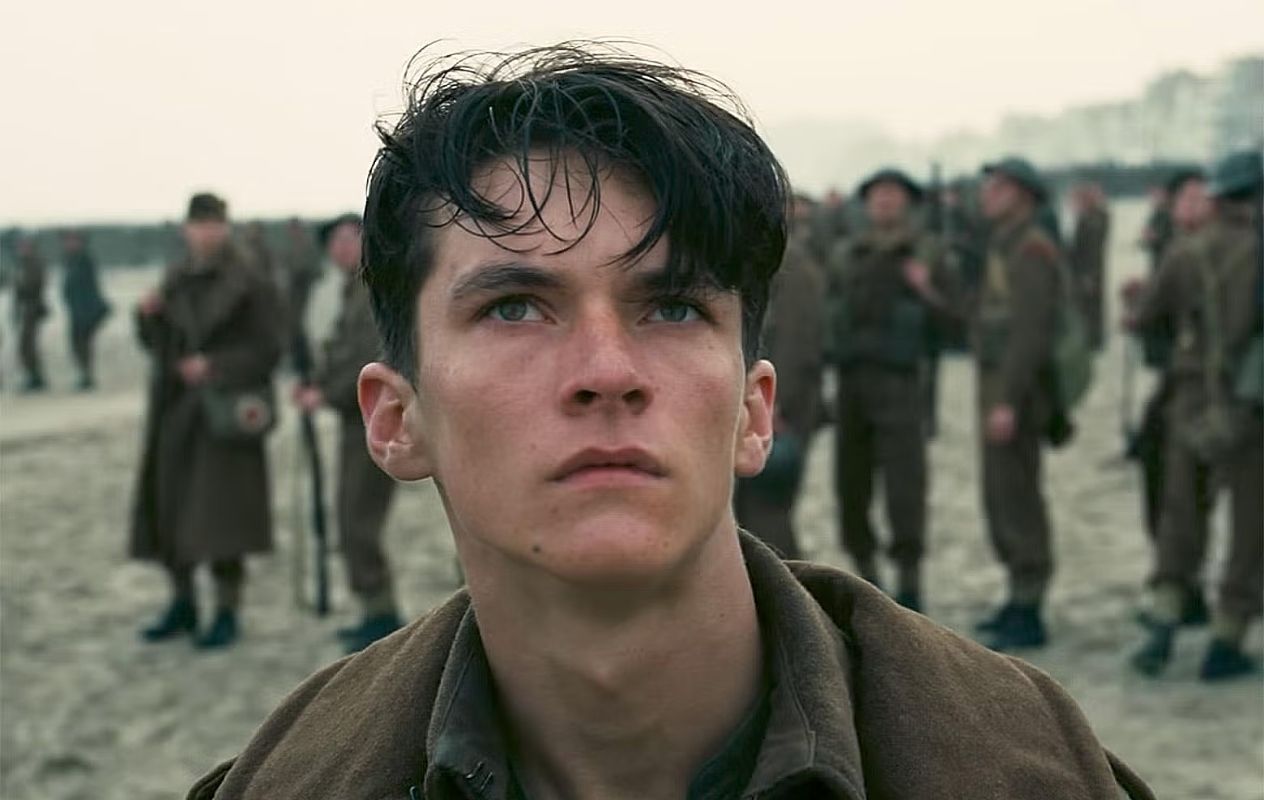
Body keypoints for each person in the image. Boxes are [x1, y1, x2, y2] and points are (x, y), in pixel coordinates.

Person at [188, 45, 1151, 800]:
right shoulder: (289, 782)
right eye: (516, 308)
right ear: (396, 420)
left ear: (753, 410)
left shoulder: (1027, 774)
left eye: (674, 308)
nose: (607, 373)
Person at [1128, 151, 1263, 681]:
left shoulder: (1185, 251)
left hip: (1189, 399)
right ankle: (1226, 638)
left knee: (1181, 514)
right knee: (1250, 523)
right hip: (1251, 406)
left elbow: (1147, 321)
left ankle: (1163, 624)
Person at [131, 193, 284, 650]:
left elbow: (269, 348)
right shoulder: (176, 279)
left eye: (213, 223)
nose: (205, 232)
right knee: (172, 509)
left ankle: (226, 610)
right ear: (186, 229)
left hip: (224, 415)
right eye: (198, 224)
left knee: (223, 518)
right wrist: (147, 316)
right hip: (176, 411)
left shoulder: (250, 279)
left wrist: (215, 366)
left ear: (225, 226)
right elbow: (158, 344)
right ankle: (183, 603)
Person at [825, 168, 958, 610]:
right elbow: (830, 313)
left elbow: (956, 324)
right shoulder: (846, 253)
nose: (884, 200)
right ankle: (866, 575)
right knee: (851, 483)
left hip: (902, 382)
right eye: (876, 194)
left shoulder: (930, 252)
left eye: (893, 193)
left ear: (908, 202)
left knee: (905, 486)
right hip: (852, 381)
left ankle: (909, 581)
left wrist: (926, 289)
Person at [294, 213, 401, 652]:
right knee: (350, 518)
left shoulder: (372, 291)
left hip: (373, 422)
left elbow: (367, 358)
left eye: (348, 237)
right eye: (333, 242)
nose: (340, 248)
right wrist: (316, 384)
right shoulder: (352, 291)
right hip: (357, 421)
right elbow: (340, 353)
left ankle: (383, 616)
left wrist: (325, 394)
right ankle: (375, 612)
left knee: (359, 520)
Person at [970, 157, 1062, 651]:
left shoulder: (1031, 249)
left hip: (1017, 390)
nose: (986, 195)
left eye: (997, 187)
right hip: (997, 384)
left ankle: (1030, 601)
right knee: (999, 491)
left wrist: (1007, 401)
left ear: (1022, 195)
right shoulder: (1004, 244)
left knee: (1018, 492)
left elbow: (1031, 333)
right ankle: (1017, 594)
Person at [1123, 169, 1214, 626]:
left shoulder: (1192, 250)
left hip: (1199, 387)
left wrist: (1136, 309)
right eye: (1186, 199)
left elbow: (1147, 317)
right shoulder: (1179, 248)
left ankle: (1178, 592)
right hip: (1182, 382)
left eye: (1200, 198)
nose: (1192, 207)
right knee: (1177, 490)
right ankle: (1188, 591)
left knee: (1180, 494)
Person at [732, 194, 825, 560]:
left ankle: (783, 585)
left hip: (779, 405)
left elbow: (797, 343)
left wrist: (775, 406)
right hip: (763, 400)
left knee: (766, 511)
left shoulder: (791, 267)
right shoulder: (760, 259)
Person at [60, 229, 111, 389]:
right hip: (76, 310)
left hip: (85, 310)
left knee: (83, 343)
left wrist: (85, 309)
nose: (69, 244)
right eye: (68, 241)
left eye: (73, 241)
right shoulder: (71, 260)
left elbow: (88, 287)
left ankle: (87, 376)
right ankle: (84, 375)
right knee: (77, 344)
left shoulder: (84, 260)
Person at [1068, 182, 1110, 351]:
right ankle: (1094, 339)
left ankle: (1091, 340)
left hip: (1087, 271)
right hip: (1091, 270)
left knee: (1087, 307)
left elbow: (1087, 249)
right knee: (1092, 307)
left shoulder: (1088, 221)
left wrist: (1088, 275)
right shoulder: (1093, 218)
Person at [12, 236, 49, 391]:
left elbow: (34, 285)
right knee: (25, 345)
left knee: (28, 345)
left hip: (32, 309)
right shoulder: (22, 264)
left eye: (25, 247)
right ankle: (33, 375)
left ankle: (35, 377)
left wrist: (22, 286)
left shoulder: (35, 264)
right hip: (25, 309)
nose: (23, 250)